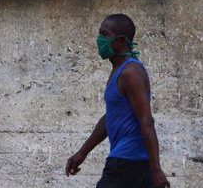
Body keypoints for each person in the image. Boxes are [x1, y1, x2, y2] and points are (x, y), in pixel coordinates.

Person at [65, 14, 169, 188]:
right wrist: (82, 153)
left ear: (121, 41)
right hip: (130, 162)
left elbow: (147, 120)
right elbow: (110, 118)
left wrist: (156, 170)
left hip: (128, 162)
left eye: (105, 35)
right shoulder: (119, 71)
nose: (99, 40)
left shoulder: (130, 73)